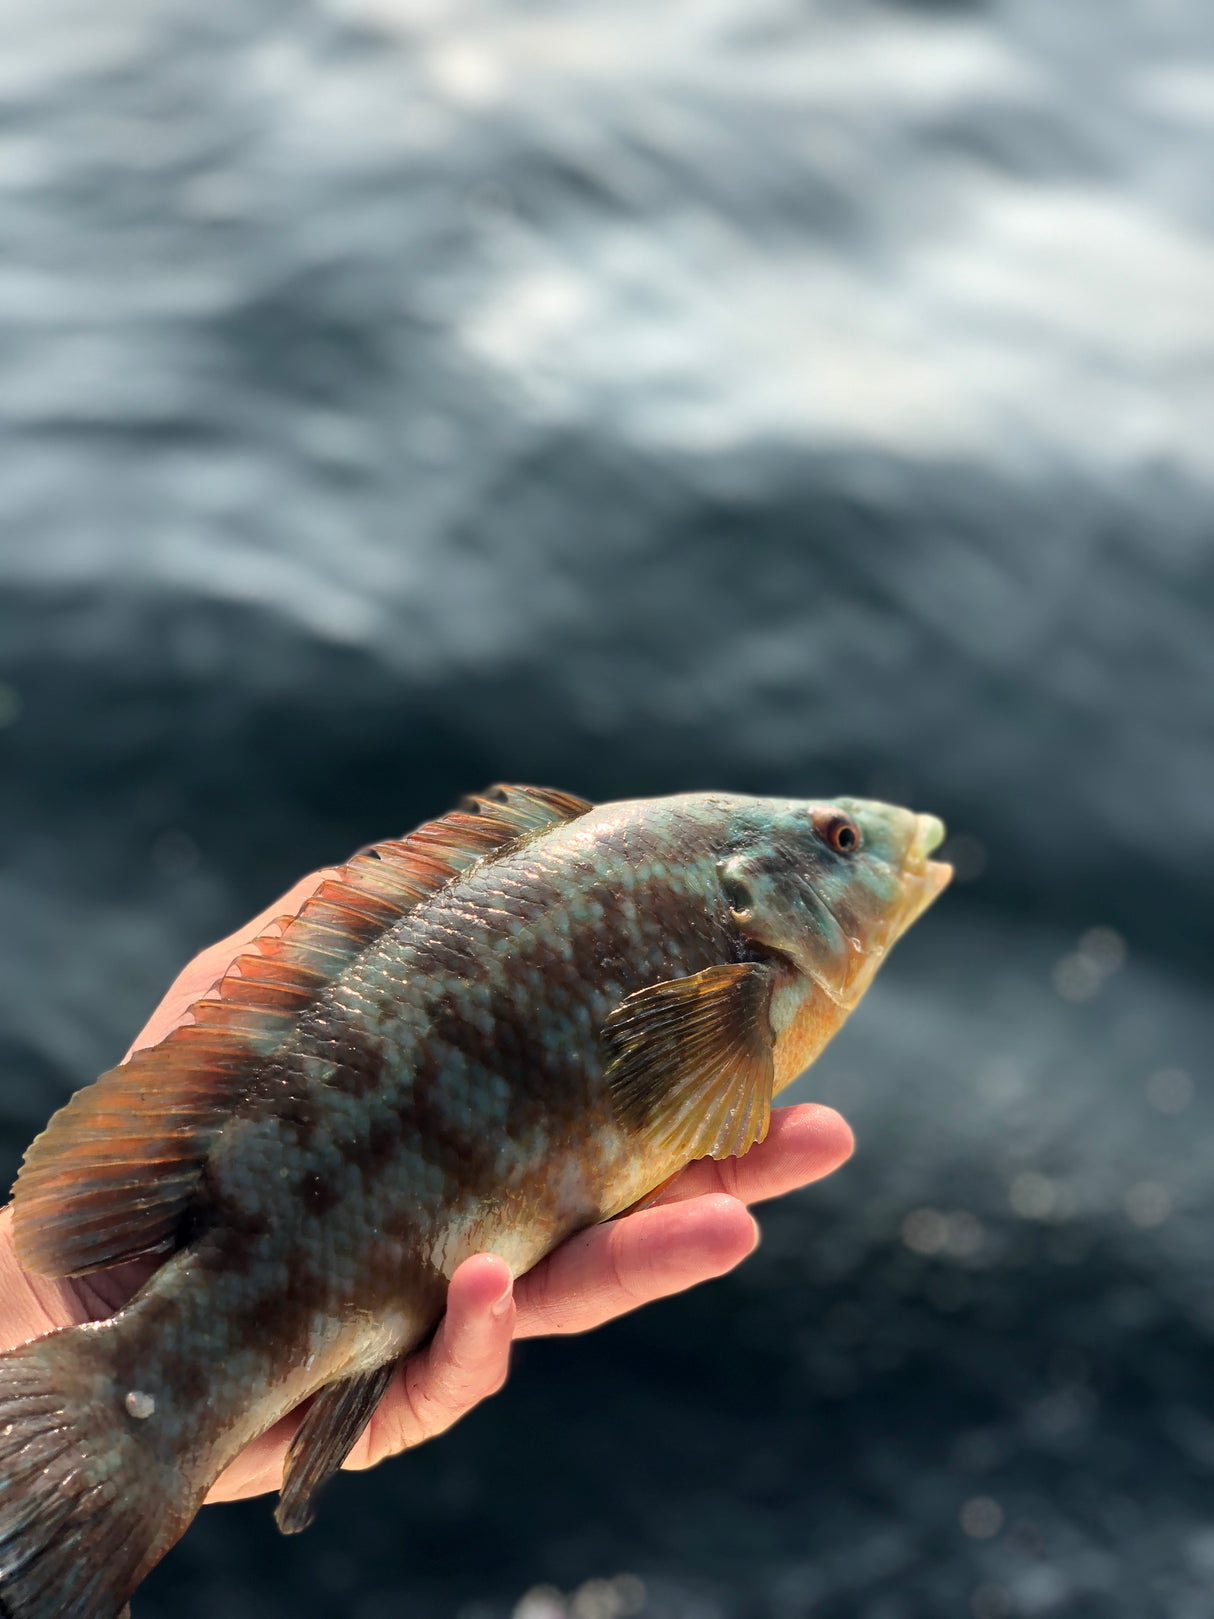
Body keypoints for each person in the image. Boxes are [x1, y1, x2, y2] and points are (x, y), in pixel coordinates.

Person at [0, 865, 854, 1506]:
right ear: (750, 897)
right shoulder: (738, 972)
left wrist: (34, 1299)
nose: (885, 848)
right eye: (841, 840)